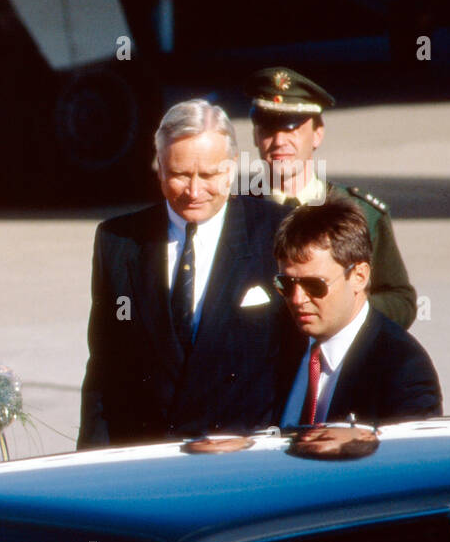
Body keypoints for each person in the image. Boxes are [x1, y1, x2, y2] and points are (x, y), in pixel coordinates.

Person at [78, 100, 292, 448]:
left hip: (244, 460)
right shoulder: (118, 241)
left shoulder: (276, 231)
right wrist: (91, 462)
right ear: (159, 167)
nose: (194, 191)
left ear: (231, 168)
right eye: (179, 174)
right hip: (148, 460)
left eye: (208, 175)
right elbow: (105, 366)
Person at [246, 66, 417, 328]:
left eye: (292, 128)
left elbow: (400, 301)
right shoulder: (237, 212)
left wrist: (347, 314)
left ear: (317, 134)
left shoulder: (361, 212)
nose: (279, 140)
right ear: (256, 136)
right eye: (268, 128)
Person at [273, 200, 441, 427]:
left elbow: (413, 460)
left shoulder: (403, 371)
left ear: (359, 277)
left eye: (314, 286)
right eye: (287, 284)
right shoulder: (272, 344)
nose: (297, 299)